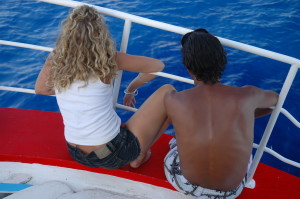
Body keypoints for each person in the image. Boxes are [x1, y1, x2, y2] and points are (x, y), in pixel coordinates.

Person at [35, 5, 174, 169]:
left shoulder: (56, 59)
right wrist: (130, 89)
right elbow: (157, 66)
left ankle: (138, 152)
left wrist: (68, 88)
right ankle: (140, 154)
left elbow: (41, 89)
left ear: (67, 35)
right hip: (111, 156)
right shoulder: (109, 60)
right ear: (100, 34)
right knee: (169, 92)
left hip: (75, 150)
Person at [163, 28, 279, 198]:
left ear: (188, 69)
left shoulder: (173, 99)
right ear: (222, 63)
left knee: (177, 141)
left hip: (186, 184)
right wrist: (244, 115)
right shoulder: (248, 96)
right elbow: (274, 101)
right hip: (230, 192)